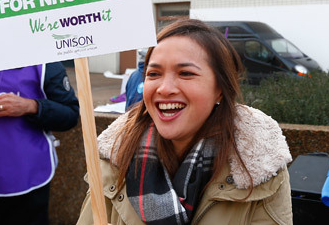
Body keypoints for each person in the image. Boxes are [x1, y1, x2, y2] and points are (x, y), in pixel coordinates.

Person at [77, 19, 293, 225]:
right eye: (153, 73)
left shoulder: (261, 168)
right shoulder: (113, 158)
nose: (164, 88)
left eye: (186, 73)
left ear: (220, 89)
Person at [0, 0, 80, 225]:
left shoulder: (42, 60)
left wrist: (31, 106)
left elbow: (70, 115)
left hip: (29, 184)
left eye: (13, 17)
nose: (6, 23)